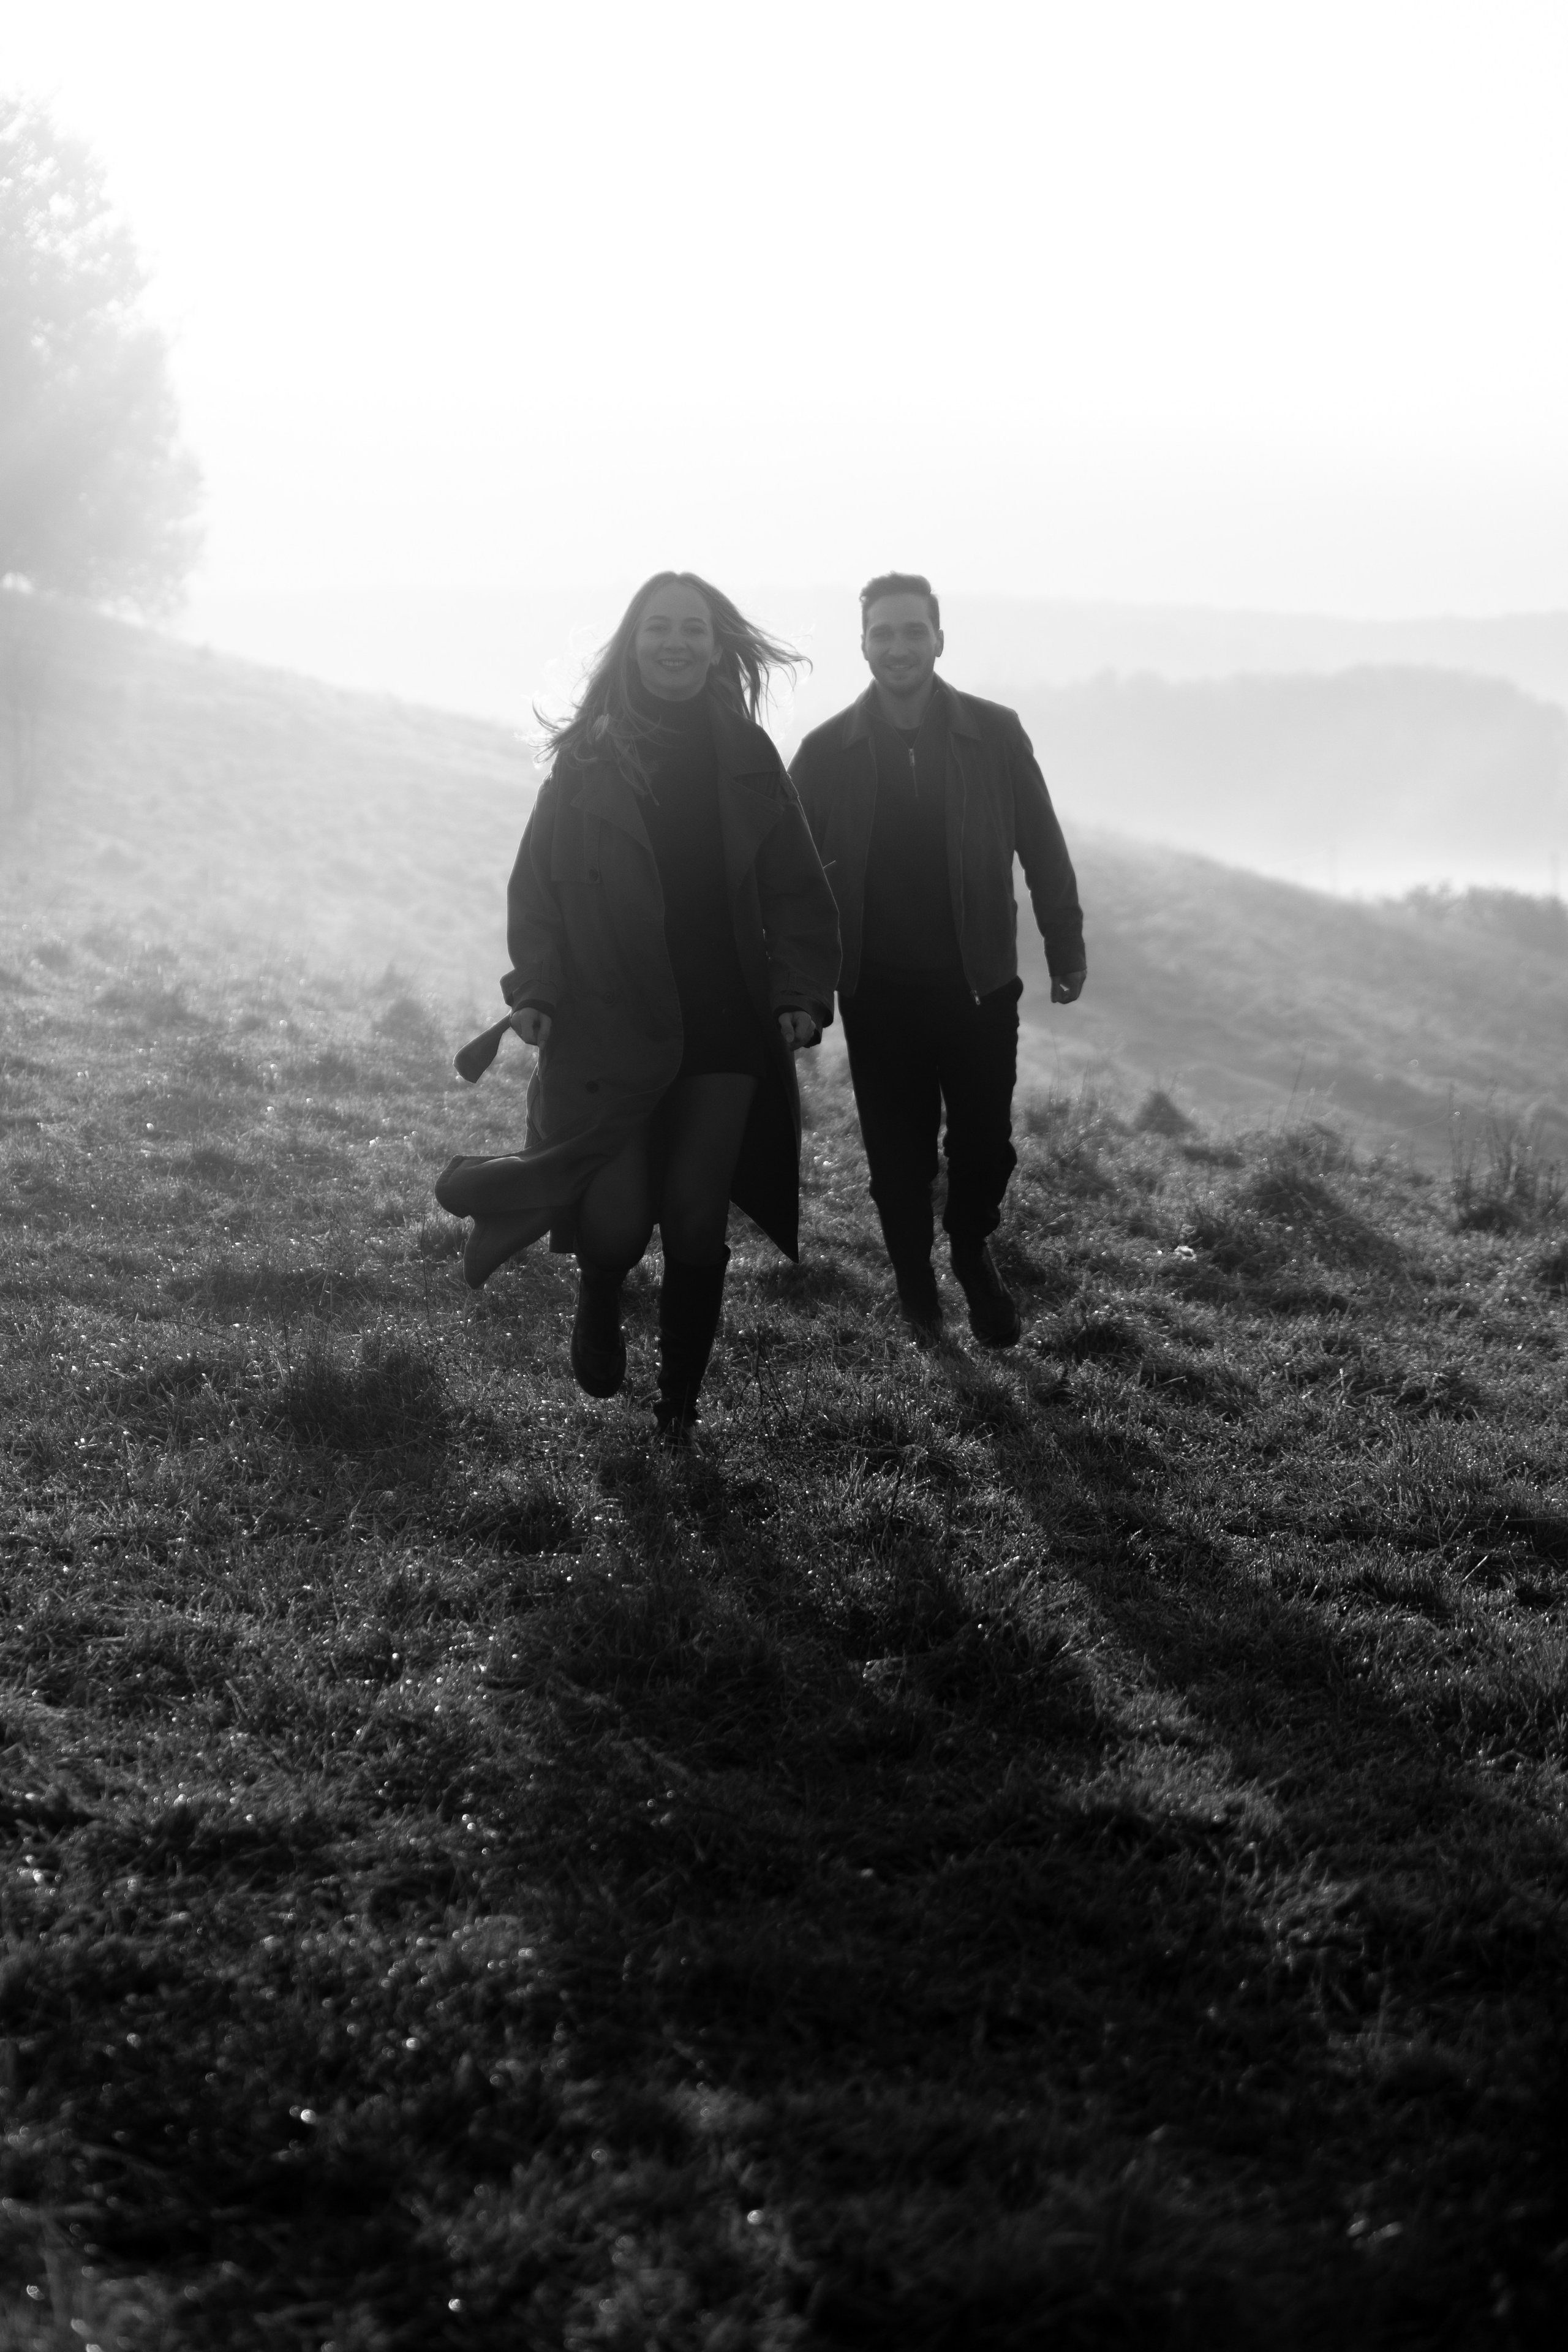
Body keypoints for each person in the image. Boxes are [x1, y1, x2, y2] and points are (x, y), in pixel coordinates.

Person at [435, 572, 840, 1439]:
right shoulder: (587, 759)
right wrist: (535, 991)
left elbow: (800, 893)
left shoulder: (749, 756)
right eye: (659, 627)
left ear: (714, 644)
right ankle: (599, 1292)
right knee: (616, 1219)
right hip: (609, 1017)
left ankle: (679, 1409)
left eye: (692, 628)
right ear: (634, 642)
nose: (677, 642)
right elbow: (536, 891)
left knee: (696, 1213)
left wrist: (801, 995)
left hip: (723, 1021)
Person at [790, 573, 1085, 1346]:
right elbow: (784, 876)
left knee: (985, 1144)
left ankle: (969, 1247)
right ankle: (914, 1281)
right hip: (878, 991)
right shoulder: (824, 753)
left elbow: (1041, 843)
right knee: (897, 1157)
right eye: (882, 633)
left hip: (979, 981)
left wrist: (1065, 941)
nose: (897, 647)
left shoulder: (993, 732)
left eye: (912, 631)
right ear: (862, 644)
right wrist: (791, 982)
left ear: (938, 640)